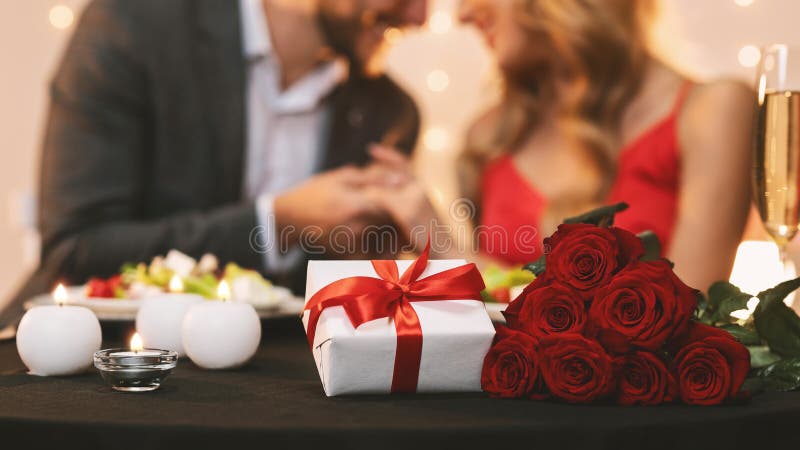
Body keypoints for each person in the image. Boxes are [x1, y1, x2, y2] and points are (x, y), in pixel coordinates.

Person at [0, 0, 425, 328]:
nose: (420, 15)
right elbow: (75, 250)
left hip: (279, 393)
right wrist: (276, 222)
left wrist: (396, 238)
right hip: (94, 365)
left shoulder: (391, 112)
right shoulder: (131, 26)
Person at [367, 0, 753, 291]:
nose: (464, 13)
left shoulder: (713, 109)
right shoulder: (489, 138)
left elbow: (689, 311)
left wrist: (447, 250)